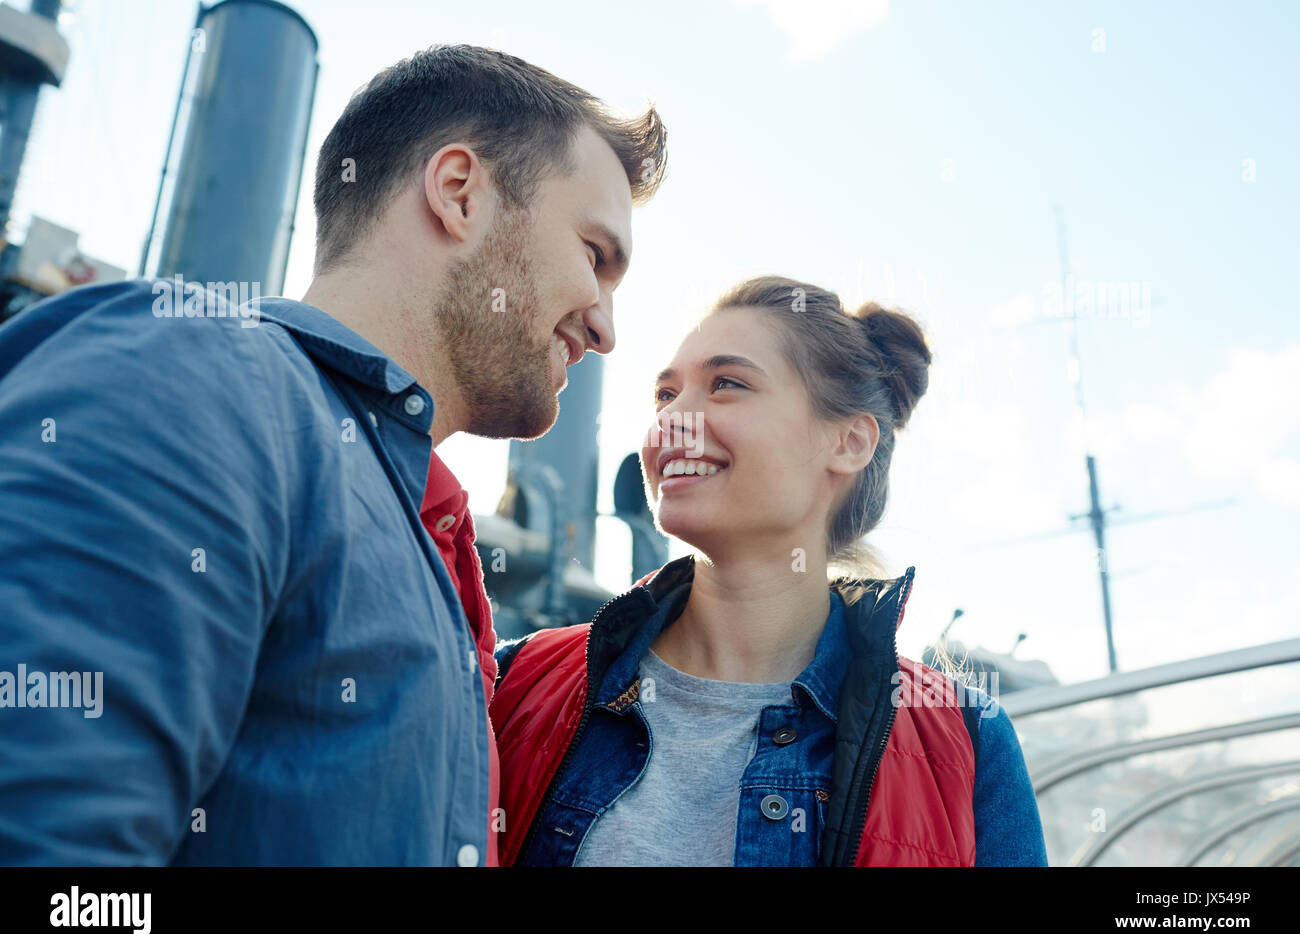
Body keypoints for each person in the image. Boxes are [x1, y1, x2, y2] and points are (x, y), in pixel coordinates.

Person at [0, 44, 666, 865]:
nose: (605, 327)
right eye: (595, 257)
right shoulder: (198, 378)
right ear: (459, 193)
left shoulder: (423, 533)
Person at [490, 276, 1050, 866]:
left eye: (726, 384)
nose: (673, 419)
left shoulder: (967, 738)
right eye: (664, 394)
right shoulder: (515, 682)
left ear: (849, 441)